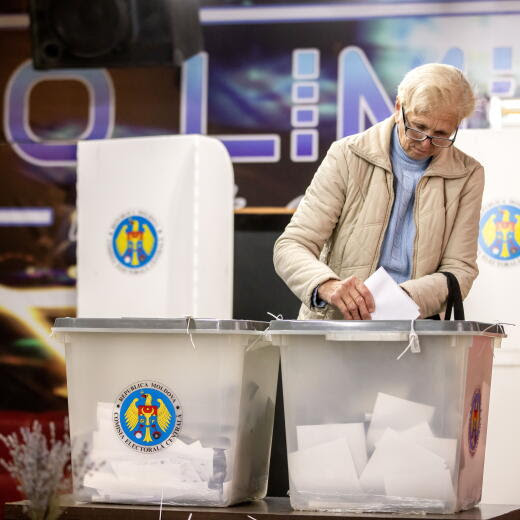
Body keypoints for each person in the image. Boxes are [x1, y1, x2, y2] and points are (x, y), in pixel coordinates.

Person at [273, 63, 484, 320]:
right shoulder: (347, 155)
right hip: (335, 325)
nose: (427, 143)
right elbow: (292, 245)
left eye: (441, 134)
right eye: (418, 127)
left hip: (414, 330)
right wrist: (326, 285)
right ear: (399, 108)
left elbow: (460, 270)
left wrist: (403, 298)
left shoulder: (467, 174)